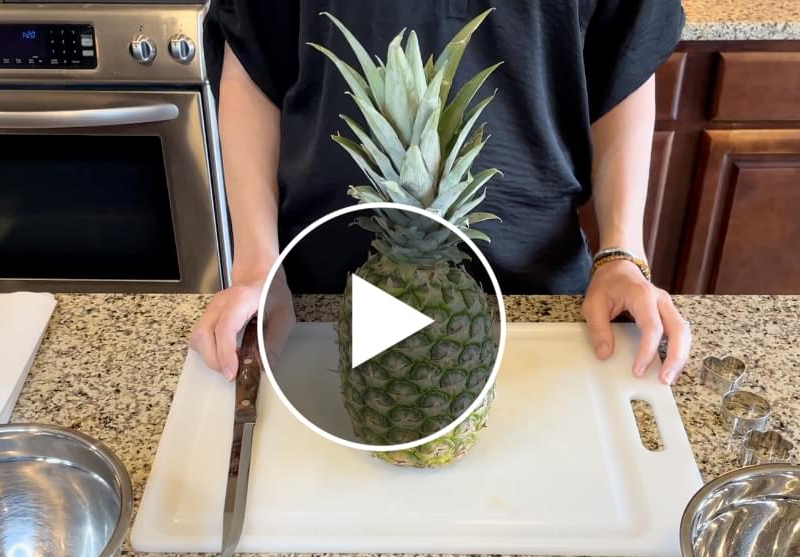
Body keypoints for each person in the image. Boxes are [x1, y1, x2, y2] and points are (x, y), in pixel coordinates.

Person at [191, 0, 692, 386]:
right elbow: (252, 54)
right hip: (320, 303)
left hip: (540, 297)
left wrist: (622, 253)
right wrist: (257, 264)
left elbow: (623, 54)